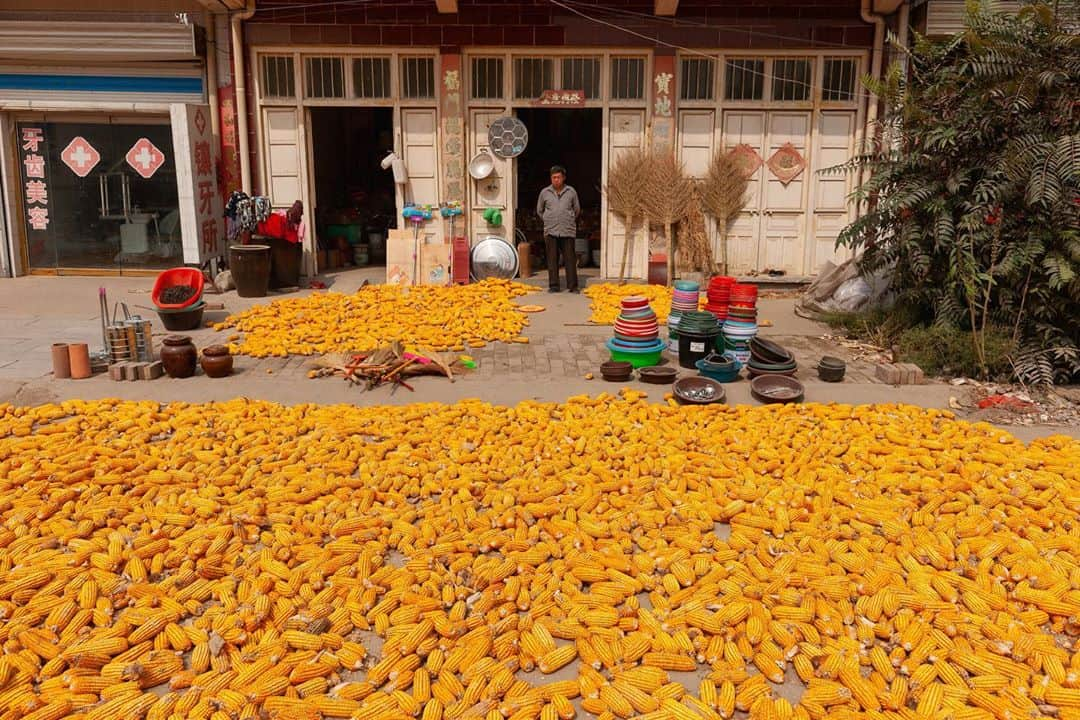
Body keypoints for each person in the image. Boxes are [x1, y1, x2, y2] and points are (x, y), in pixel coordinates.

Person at [536, 165, 580, 293]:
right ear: (551, 178)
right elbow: (540, 210)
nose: (556, 180)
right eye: (554, 177)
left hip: (567, 230)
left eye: (558, 177)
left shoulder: (571, 191)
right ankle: (554, 286)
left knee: (570, 259)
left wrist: (569, 218)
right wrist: (548, 219)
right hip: (551, 230)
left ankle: (573, 286)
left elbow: (576, 209)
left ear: (564, 178)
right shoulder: (545, 193)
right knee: (552, 259)